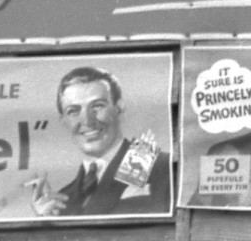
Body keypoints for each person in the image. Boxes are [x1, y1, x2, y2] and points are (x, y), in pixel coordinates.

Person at [38, 65, 167, 217]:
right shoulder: (62, 200)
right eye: (73, 111)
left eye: (98, 106)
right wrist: (45, 224)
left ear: (119, 107)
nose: (87, 121)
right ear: (63, 120)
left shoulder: (158, 164)